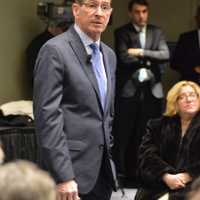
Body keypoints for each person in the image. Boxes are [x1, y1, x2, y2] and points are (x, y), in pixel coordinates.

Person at [33, 0, 117, 200]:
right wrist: (63, 176)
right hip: (69, 176)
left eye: (104, 7)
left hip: (101, 174)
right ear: (76, 10)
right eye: (91, 5)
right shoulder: (54, 50)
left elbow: (106, 114)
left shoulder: (109, 55)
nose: (99, 13)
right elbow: (48, 118)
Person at [112, 0, 169, 185]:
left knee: (152, 133)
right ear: (130, 13)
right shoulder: (122, 32)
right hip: (130, 90)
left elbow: (165, 55)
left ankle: (150, 173)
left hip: (152, 91)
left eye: (144, 11)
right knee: (128, 132)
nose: (141, 16)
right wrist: (149, 58)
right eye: (137, 12)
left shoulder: (156, 31)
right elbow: (123, 58)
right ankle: (128, 174)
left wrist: (140, 52)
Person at [135, 80, 200, 200]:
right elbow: (147, 155)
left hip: (195, 187)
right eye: (182, 97)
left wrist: (188, 175)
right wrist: (165, 176)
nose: (189, 100)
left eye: (192, 95)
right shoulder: (157, 125)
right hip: (161, 183)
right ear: (175, 102)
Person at [26, 19, 69, 86]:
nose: (65, 32)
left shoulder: (42, 41)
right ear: (53, 27)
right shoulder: (47, 44)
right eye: (64, 29)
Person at [170, 6, 200, 84]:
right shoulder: (186, 38)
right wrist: (194, 69)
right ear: (197, 18)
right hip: (189, 85)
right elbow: (174, 64)